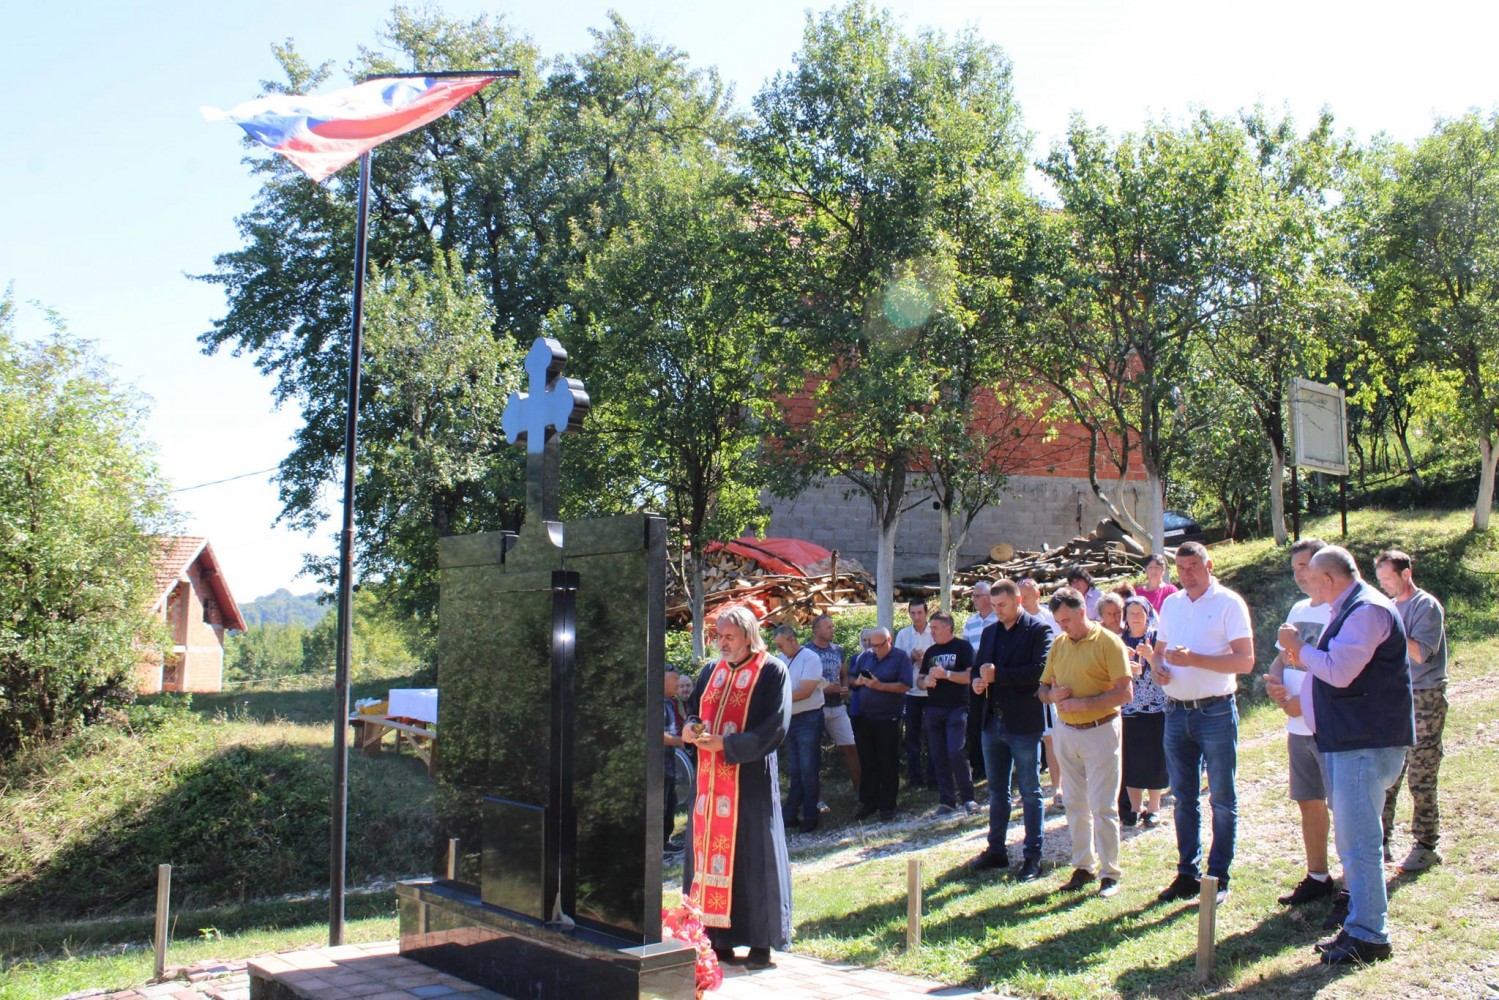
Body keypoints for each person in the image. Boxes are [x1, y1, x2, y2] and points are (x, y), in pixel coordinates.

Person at [1273, 546, 1413, 965]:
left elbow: (1338, 670)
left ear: (1330, 579)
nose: (1308, 588)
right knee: (1353, 840)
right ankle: (1359, 926)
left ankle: (1370, 935)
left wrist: (1298, 648)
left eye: (1313, 580)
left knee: (1360, 842)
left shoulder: (1367, 610)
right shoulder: (1349, 607)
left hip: (1365, 742)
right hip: (1350, 739)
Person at [682, 607, 792, 970]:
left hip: (749, 782)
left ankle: (761, 944)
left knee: (754, 856)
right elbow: (694, 712)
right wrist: (691, 730)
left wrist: (727, 747)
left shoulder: (771, 670)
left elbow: (775, 726)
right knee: (708, 860)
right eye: (719, 636)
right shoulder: (710, 671)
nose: (722, 643)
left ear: (748, 635)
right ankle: (717, 939)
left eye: (729, 637)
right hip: (709, 787)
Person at [1152, 540, 1255, 905]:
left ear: (1209, 565)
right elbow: (1160, 653)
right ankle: (1187, 873)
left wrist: (1194, 658)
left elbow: (1245, 661)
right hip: (1176, 710)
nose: (1188, 574)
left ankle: (1218, 876)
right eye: (1181, 568)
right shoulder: (1172, 603)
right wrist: (1158, 669)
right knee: (1183, 799)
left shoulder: (1229, 603)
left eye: (1194, 566)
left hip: (1215, 710)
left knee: (1222, 798)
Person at [1038, 587, 1133, 897]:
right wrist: (1050, 696)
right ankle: (1083, 866)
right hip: (1067, 732)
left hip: (1101, 729)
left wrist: (1084, 704)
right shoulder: (1059, 645)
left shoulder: (1108, 642)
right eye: (1058, 621)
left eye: (1067, 619)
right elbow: (1042, 688)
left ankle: (1110, 874)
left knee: (1103, 805)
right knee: (1076, 803)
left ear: (1082, 611)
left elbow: (1124, 693)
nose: (1063, 626)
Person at [1264, 538, 1338, 908]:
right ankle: (1318, 876)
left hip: (1329, 725)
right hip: (1297, 727)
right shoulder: (1297, 609)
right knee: (1309, 801)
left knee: (1344, 806)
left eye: (1306, 566)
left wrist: (1300, 705)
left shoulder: (1342, 611)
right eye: (1295, 568)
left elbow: (1337, 670)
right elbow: (1282, 658)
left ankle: (1353, 883)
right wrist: (1275, 683)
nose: (1301, 574)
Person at [971, 579, 1054, 881]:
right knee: (996, 791)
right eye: (993, 606)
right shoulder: (990, 631)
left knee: (1030, 792)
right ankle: (996, 850)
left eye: (1002, 605)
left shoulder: (1038, 630)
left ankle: (1032, 856)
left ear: (1018, 600)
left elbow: (1039, 672)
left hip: (1023, 722)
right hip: (992, 720)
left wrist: (998, 676)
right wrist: (977, 683)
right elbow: (978, 669)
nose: (997, 611)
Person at [1374, 549, 1449, 874]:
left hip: (1425, 697)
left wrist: (1389, 632)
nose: (1384, 586)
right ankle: (1380, 842)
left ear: (1406, 574)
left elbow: (1420, 654)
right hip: (1393, 697)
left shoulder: (1425, 606)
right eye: (1380, 580)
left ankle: (1426, 845)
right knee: (1387, 775)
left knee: (1421, 774)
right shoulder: (1387, 608)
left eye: (1388, 578)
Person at [849, 627, 914, 821]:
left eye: (879, 645)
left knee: (888, 762)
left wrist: (880, 686)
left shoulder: (900, 657)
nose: (875, 648)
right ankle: (869, 803)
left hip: (889, 719)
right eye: (872, 644)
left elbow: (905, 685)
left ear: (889, 641)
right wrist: (858, 681)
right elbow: (850, 678)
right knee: (867, 762)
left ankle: (888, 805)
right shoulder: (866, 656)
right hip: (865, 718)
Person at [919, 611, 978, 815]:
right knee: (938, 754)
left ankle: (968, 798)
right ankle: (947, 801)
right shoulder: (930, 652)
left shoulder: (963, 647)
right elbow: (920, 679)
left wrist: (947, 674)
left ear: (947, 627)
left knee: (955, 751)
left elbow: (970, 676)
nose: (931, 631)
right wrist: (924, 681)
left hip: (957, 707)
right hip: (933, 708)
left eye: (935, 627)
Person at [1119, 597, 1168, 829]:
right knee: (1130, 756)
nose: (1136, 616)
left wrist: (1150, 656)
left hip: (1156, 705)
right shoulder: (1119, 641)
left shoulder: (1158, 639)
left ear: (1148, 615)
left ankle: (1155, 807)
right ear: (1125, 617)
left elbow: (1167, 671)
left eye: (1140, 612)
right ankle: (1135, 807)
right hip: (1127, 706)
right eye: (1132, 613)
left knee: (1154, 755)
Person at [773, 624, 826, 834]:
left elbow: (805, 691)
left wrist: (777, 699)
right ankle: (791, 814)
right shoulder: (781, 660)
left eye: (780, 645)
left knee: (808, 769)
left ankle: (810, 815)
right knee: (796, 770)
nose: (778, 649)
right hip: (790, 720)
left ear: (792, 639)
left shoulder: (810, 658)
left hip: (809, 719)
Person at [1019, 577, 1064, 810]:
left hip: (1045, 683)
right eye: (1020, 596)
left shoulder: (1049, 618)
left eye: (1025, 596)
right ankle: (1028, 786)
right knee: (1025, 737)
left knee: (1050, 737)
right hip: (1022, 686)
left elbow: (1060, 647)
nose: (1022, 600)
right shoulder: (1015, 620)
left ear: (1037, 594)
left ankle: (1058, 788)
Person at [807, 614, 860, 806]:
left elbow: (844, 674)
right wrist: (823, 688)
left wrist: (845, 687)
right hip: (816, 708)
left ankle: (860, 793)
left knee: (851, 747)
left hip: (837, 707)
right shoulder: (806, 652)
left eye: (832, 626)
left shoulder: (838, 650)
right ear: (816, 630)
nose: (832, 629)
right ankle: (816, 799)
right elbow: (801, 680)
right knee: (813, 753)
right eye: (827, 627)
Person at [894, 598, 937, 789]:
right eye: (913, 613)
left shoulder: (935, 631)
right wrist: (911, 658)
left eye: (920, 613)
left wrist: (926, 663)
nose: (917, 617)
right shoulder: (903, 635)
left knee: (933, 736)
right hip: (911, 693)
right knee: (912, 737)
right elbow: (897, 665)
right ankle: (915, 779)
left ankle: (934, 778)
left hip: (932, 692)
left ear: (926, 613)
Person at [962, 581, 998, 781]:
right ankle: (979, 766)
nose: (974, 599)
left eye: (977, 596)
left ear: (988, 597)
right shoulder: (971, 621)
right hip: (976, 677)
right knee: (975, 722)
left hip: (995, 677)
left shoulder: (997, 620)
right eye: (973, 596)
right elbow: (966, 649)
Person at [663, 669, 689, 849]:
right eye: (674, 679)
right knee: (662, 802)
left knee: (671, 801)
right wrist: (680, 741)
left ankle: (665, 840)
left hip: (670, 761)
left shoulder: (672, 702)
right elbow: (657, 734)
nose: (678, 682)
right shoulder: (657, 703)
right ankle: (657, 844)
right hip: (659, 763)